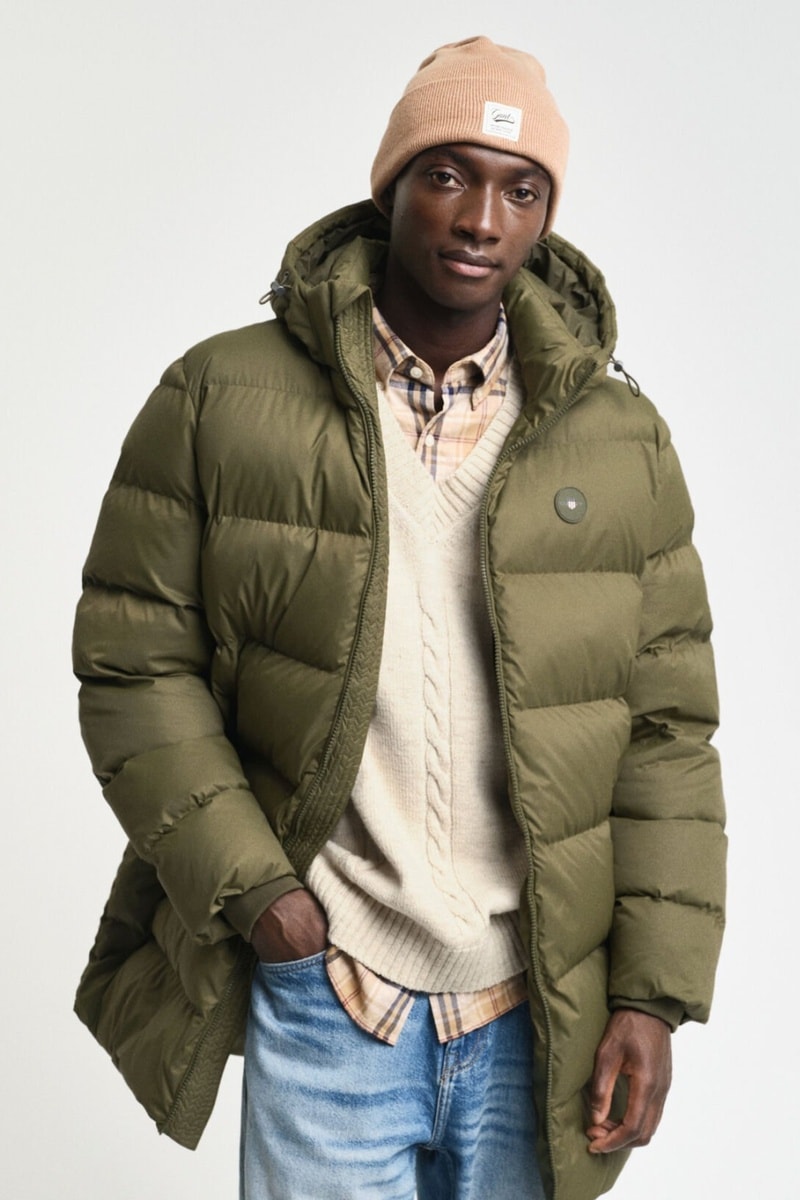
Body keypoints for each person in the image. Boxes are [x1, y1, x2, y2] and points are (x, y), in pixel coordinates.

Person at [73, 35, 726, 1200]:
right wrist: (263, 900)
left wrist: (650, 993)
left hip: (537, 1009)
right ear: (390, 186)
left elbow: (666, 733)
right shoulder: (220, 397)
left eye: (519, 190)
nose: (479, 219)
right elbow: (134, 662)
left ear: (545, 217)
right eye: (447, 175)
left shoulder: (618, 441)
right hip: (330, 992)